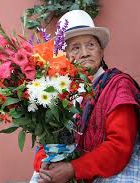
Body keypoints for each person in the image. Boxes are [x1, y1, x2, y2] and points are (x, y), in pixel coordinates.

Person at [33, 10, 140, 183]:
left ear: (101, 51)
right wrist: (45, 166)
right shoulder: (61, 92)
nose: (85, 53)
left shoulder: (118, 86)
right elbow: (45, 142)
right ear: (64, 57)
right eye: (75, 47)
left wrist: (73, 169)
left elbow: (119, 147)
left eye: (91, 45)